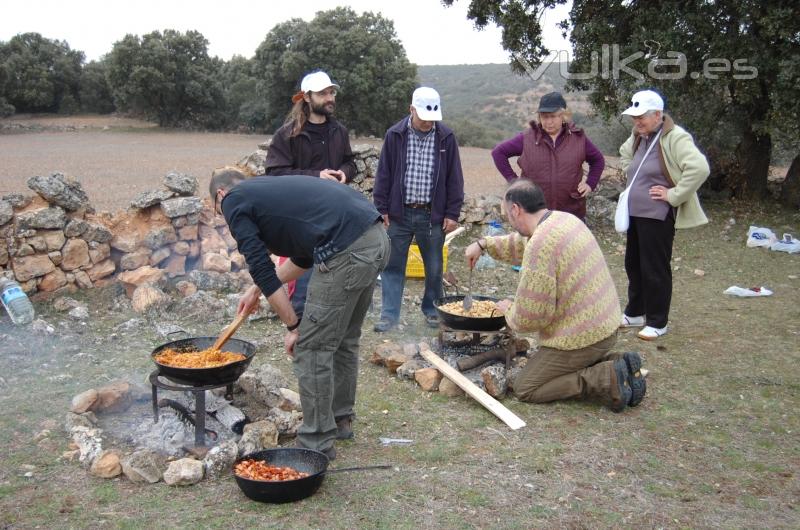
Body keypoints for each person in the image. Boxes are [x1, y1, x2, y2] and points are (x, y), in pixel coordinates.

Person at [210, 168, 390, 460]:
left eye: (219, 213)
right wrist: (256, 291)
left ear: (220, 195)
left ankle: (316, 443)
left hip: (346, 249)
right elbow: (303, 258)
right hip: (376, 238)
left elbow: (261, 267)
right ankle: (339, 420)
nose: (225, 218)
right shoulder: (270, 193)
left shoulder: (233, 199)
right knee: (344, 339)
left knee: (311, 347)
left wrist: (294, 325)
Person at [465, 180, 646, 412]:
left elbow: (532, 317)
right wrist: (484, 244)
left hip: (582, 338)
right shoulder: (562, 219)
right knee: (546, 371)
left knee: (526, 387)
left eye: (506, 214)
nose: (507, 220)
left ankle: (605, 376)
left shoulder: (541, 244)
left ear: (516, 210)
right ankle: (619, 362)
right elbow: (520, 243)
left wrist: (508, 310)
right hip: (605, 326)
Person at [264, 70, 357, 320]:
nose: (330, 98)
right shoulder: (286, 135)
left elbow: (351, 162)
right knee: (303, 270)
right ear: (306, 97)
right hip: (301, 217)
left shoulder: (339, 131)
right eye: (323, 93)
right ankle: (300, 320)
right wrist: (316, 177)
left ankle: (334, 315)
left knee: (336, 267)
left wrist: (344, 174)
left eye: (331, 92)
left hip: (335, 215)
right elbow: (275, 174)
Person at [617, 90, 710, 340]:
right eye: (634, 117)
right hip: (636, 213)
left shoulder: (675, 137)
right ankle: (635, 312)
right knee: (633, 264)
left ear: (658, 115)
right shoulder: (640, 136)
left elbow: (699, 168)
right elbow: (625, 154)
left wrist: (674, 195)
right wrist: (631, 173)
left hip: (657, 214)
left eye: (642, 117)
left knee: (654, 267)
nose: (637, 122)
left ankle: (658, 321)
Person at [372, 87, 465, 332]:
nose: (427, 122)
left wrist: (452, 213)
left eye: (432, 118)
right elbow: (384, 174)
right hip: (399, 213)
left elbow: (455, 177)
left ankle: (432, 310)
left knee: (434, 267)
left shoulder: (446, 136)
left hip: (432, 215)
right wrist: (381, 208)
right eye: (423, 116)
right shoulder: (395, 135)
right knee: (392, 266)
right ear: (411, 109)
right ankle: (389, 316)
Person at [491, 91, 605, 221]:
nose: (549, 122)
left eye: (553, 116)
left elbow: (598, 160)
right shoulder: (527, 138)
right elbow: (498, 153)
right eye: (544, 117)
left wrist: (590, 183)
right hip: (534, 213)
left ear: (563, 116)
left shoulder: (579, 139)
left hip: (571, 213)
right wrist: (515, 182)